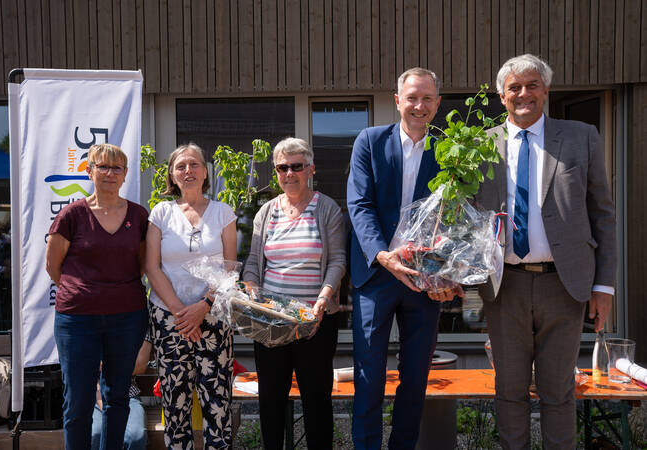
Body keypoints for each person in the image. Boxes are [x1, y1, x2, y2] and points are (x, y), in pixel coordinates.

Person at [475, 54, 616, 449]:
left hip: (564, 285)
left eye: (532, 85)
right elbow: (468, 218)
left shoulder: (580, 137)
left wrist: (604, 286)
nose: (524, 94)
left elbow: (602, 214)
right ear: (502, 97)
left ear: (546, 90)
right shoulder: (482, 146)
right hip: (505, 287)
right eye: (514, 88)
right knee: (510, 391)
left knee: (558, 391)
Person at [346, 67, 460, 449]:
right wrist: (382, 255)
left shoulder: (448, 150)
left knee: (415, 378)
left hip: (424, 279)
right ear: (397, 101)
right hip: (376, 275)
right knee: (369, 376)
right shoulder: (369, 141)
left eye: (427, 98)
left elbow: (459, 216)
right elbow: (359, 205)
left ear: (438, 104)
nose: (419, 105)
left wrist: (449, 271)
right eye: (412, 97)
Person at [242, 137, 346, 450]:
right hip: (271, 321)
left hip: (314, 320)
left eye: (296, 167)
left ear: (310, 169)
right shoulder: (266, 212)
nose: (289, 173)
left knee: (316, 399)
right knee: (271, 399)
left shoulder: (326, 208)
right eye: (282, 168)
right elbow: (252, 264)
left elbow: (338, 260)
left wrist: (323, 300)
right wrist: (252, 290)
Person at [45, 143, 149, 450]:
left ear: (125, 174)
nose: (109, 173)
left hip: (127, 318)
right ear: (89, 171)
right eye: (102, 166)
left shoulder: (139, 215)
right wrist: (86, 292)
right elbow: (53, 267)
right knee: (77, 401)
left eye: (116, 168)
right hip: (77, 320)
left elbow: (143, 265)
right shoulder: (71, 215)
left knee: (117, 397)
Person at [145, 143, 237, 449]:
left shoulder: (223, 212)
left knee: (217, 401)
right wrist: (182, 314)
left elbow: (228, 269)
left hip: (214, 316)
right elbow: (151, 267)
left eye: (194, 164)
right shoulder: (161, 212)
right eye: (181, 166)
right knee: (175, 402)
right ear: (172, 174)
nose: (188, 171)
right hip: (169, 319)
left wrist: (204, 306)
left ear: (205, 170)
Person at [91, 337, 152, 450]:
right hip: (94, 395)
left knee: (135, 436)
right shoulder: (90, 324)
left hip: (128, 395)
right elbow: (87, 368)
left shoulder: (136, 323)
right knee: (95, 435)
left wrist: (106, 364)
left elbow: (140, 365)